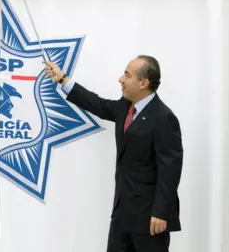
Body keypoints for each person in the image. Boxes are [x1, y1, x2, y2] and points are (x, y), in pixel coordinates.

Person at [45, 55, 183, 252]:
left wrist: (161, 213)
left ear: (143, 82)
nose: (120, 79)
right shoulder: (126, 107)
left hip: (150, 220)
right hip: (122, 214)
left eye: (127, 75)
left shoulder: (164, 118)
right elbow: (98, 105)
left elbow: (170, 171)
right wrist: (62, 79)